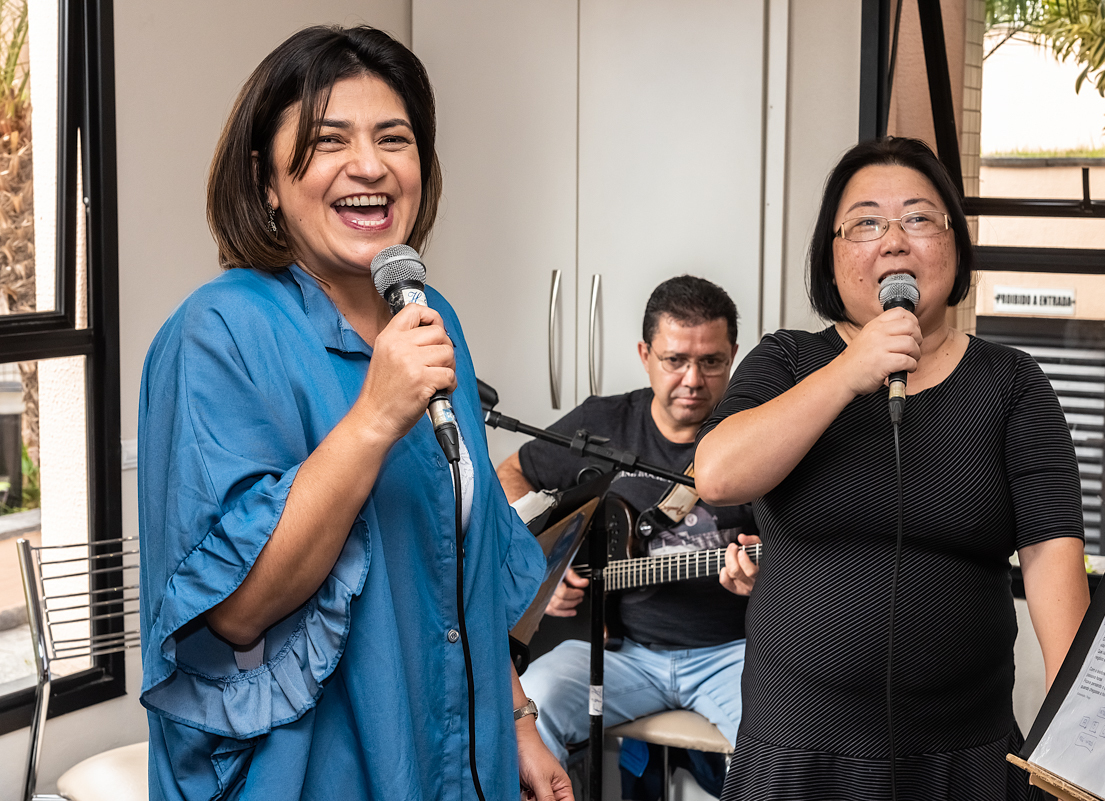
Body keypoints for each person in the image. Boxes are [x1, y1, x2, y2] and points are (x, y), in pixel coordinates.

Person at [137, 25, 570, 801]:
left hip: (456, 759)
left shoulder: (431, 318)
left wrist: (517, 721)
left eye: (394, 138)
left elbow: (462, 566)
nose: (369, 166)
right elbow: (237, 611)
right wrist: (374, 417)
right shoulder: (218, 332)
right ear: (265, 179)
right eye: (327, 140)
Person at [693, 137, 1091, 801]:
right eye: (867, 222)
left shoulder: (1012, 383)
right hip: (796, 761)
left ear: (955, 244)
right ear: (832, 251)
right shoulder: (786, 361)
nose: (895, 240)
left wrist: (1073, 749)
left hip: (963, 762)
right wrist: (851, 370)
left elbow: (1055, 564)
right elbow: (718, 472)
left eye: (919, 218)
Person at [496, 275, 761, 769]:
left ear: (734, 356)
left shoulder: (760, 434)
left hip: (735, 653)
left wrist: (769, 582)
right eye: (675, 360)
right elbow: (510, 474)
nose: (692, 380)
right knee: (526, 708)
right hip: (619, 653)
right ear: (645, 355)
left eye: (711, 362)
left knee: (787, 741)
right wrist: (540, 566)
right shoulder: (603, 423)